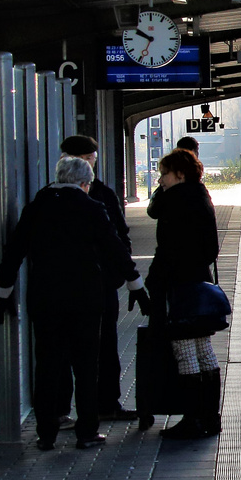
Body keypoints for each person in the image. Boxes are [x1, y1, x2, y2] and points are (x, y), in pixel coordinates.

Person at [0, 156, 143, 451]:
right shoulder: (91, 208)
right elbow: (114, 247)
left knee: (48, 366)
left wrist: (3, 292)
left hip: (45, 299)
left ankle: (46, 434)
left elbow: (14, 250)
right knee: (86, 366)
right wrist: (135, 284)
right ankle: (87, 432)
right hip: (85, 300)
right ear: (84, 183)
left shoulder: (37, 206)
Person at [61, 134, 146, 419]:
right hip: (77, 287)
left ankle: (107, 403)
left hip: (101, 285)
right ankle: (69, 411)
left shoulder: (102, 193)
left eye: (91, 161)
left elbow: (120, 237)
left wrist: (124, 276)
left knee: (106, 347)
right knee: (72, 352)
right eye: (85, 161)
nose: (89, 167)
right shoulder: (58, 198)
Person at [147, 148, 223, 439]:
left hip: (179, 286)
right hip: (198, 284)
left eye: (163, 174)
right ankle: (209, 417)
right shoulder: (201, 196)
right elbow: (209, 248)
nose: (160, 180)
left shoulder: (175, 201)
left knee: (185, 352)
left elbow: (165, 246)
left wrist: (159, 280)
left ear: (179, 173)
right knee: (203, 350)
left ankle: (192, 418)